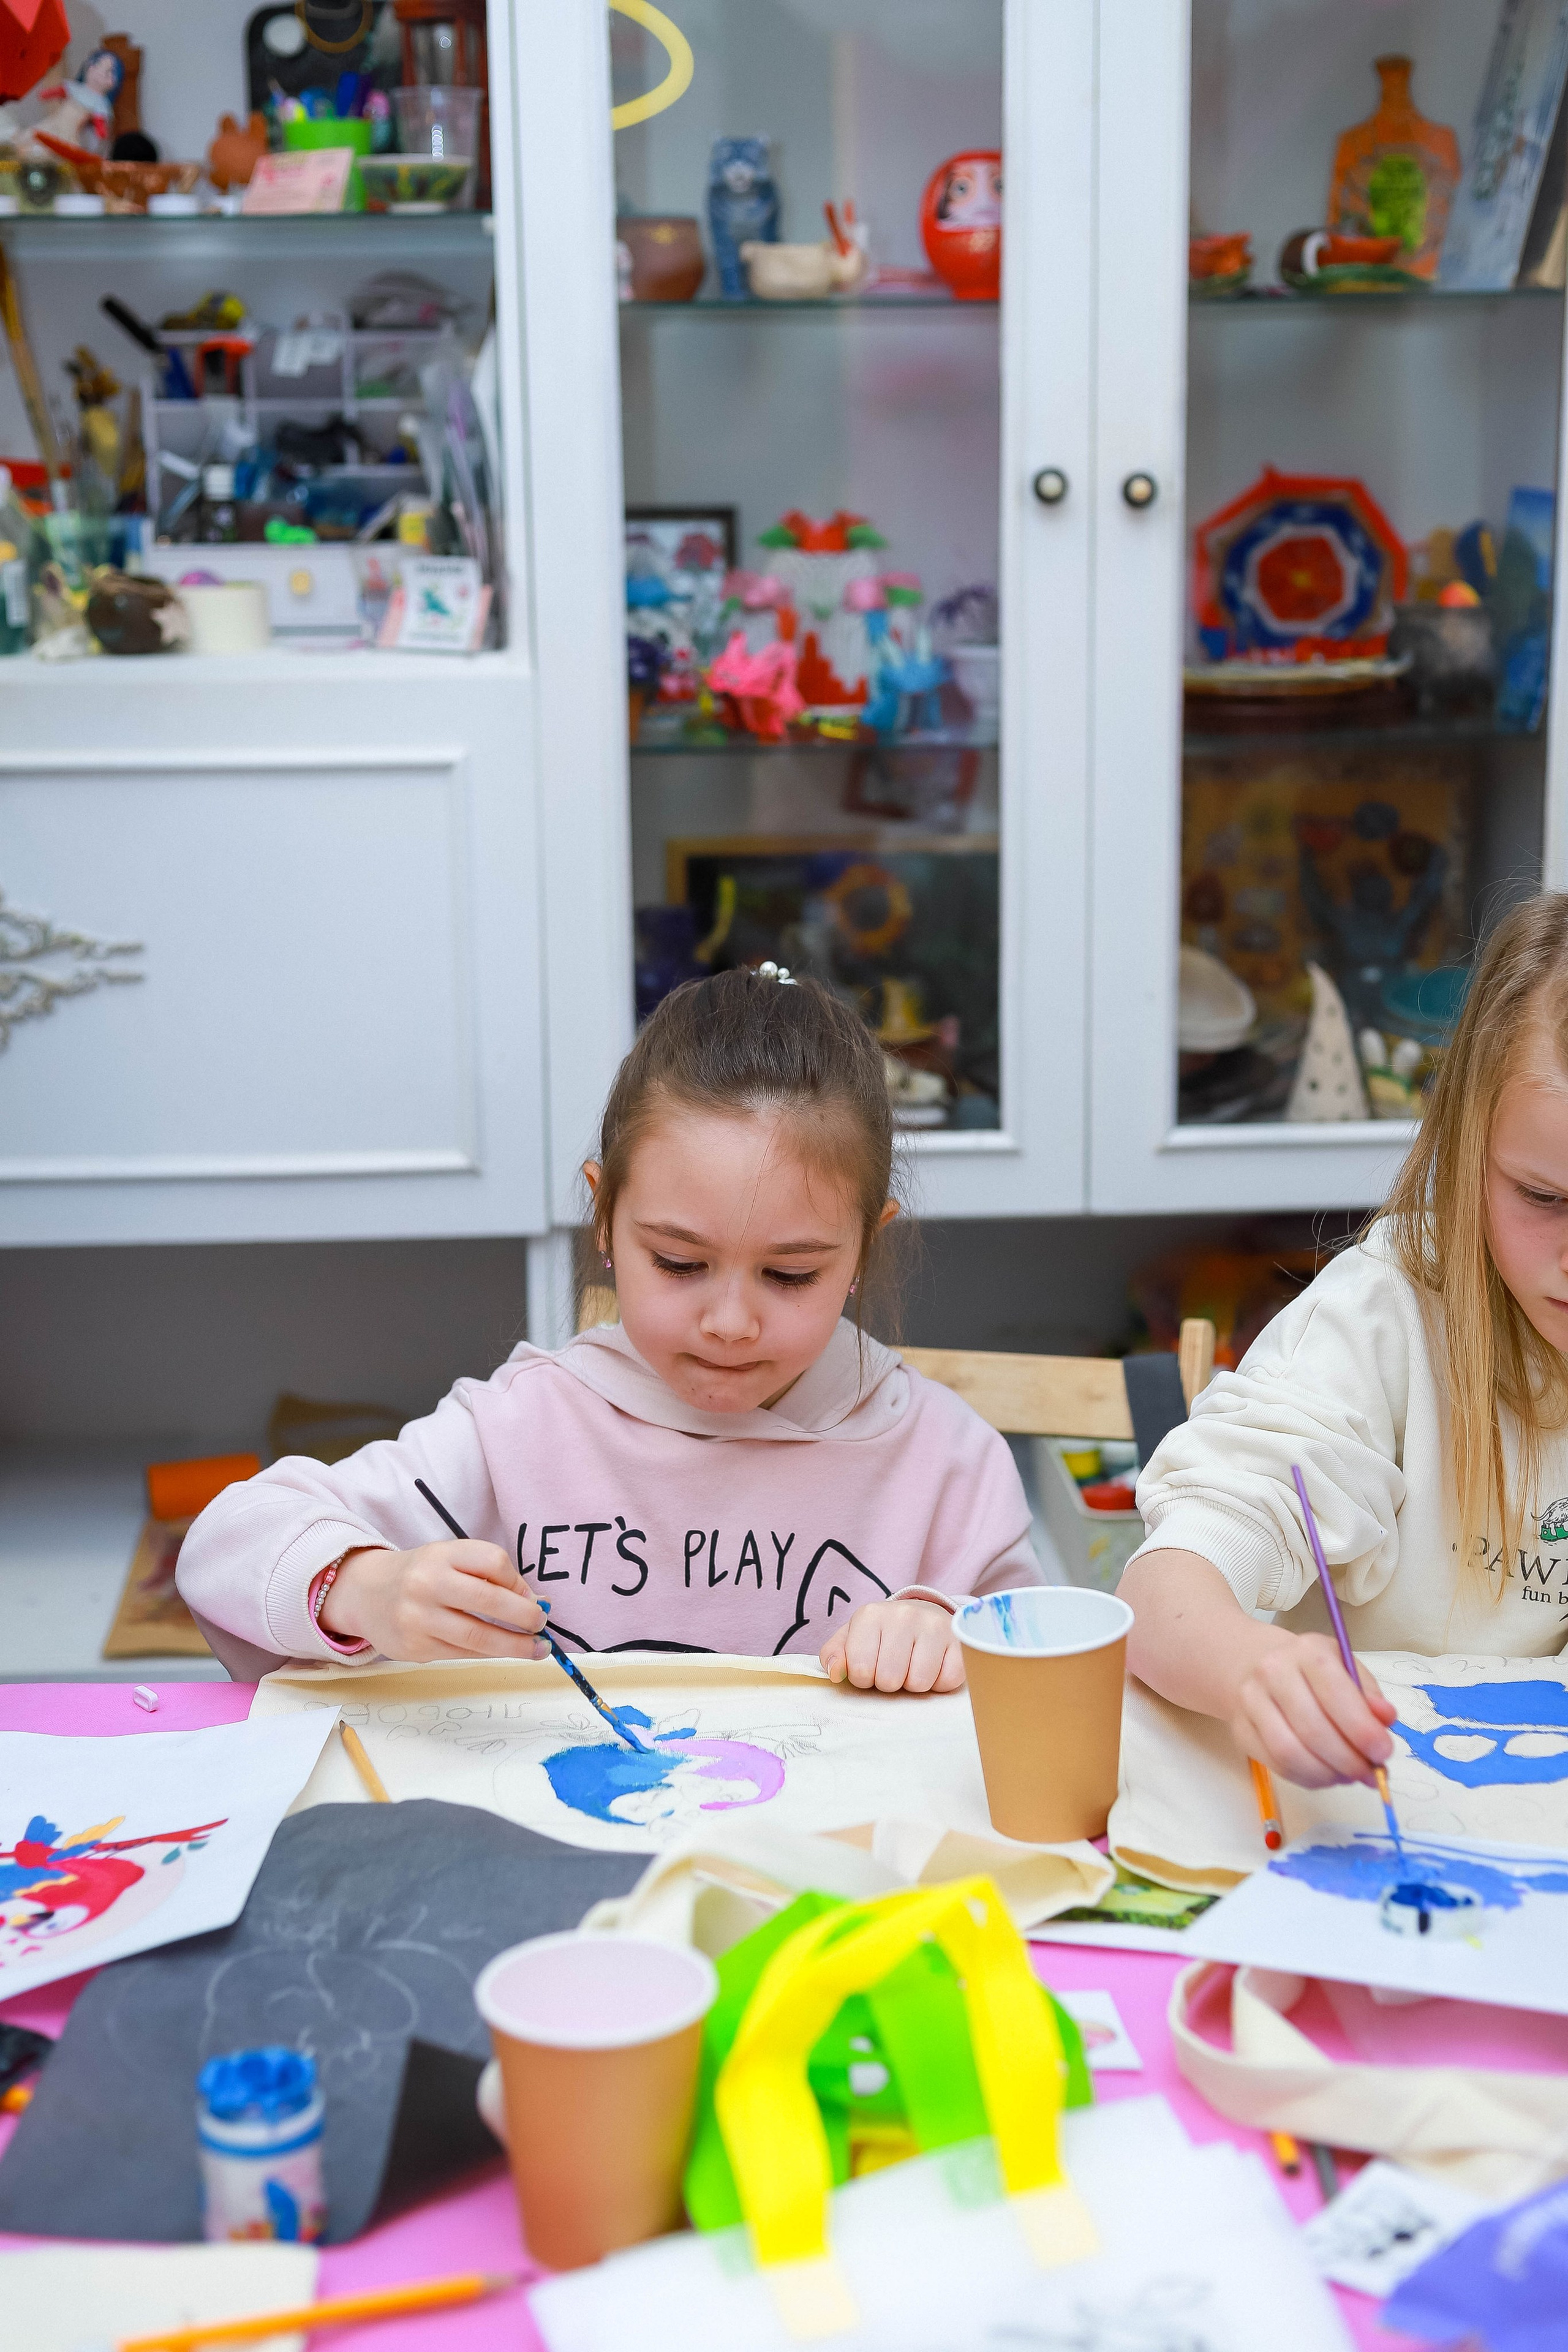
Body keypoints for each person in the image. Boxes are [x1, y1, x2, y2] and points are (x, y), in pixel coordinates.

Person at [178, 967, 1040, 1686]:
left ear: (864, 1247)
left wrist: (950, 1636)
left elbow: (1041, 1665)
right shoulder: (521, 1427)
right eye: (677, 1262)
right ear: (605, 1221)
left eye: (790, 1274)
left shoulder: (947, 1463)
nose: (730, 1322)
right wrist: (366, 1590)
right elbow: (226, 1545)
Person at [1123, 893, 1568, 1792]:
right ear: (1466, 1146)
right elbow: (1166, 1593)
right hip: (1356, 1808)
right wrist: (1251, 1669)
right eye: (1545, 1199)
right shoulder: (1387, 1314)